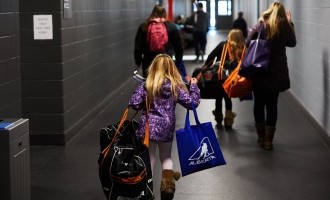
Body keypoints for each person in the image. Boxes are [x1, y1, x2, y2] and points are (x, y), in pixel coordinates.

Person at [129, 54, 200, 200]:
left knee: (149, 158)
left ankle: (146, 191)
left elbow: (134, 103)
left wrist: (141, 92)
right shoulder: (175, 86)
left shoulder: (148, 85)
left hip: (148, 127)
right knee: (166, 157)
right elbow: (192, 103)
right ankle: (168, 186)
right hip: (166, 127)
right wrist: (194, 86)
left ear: (153, 68)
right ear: (172, 68)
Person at [246, 2, 296, 150]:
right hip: (276, 71)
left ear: (269, 11)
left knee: (259, 104)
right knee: (272, 104)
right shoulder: (284, 25)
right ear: (281, 13)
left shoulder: (261, 24)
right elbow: (292, 42)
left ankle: (261, 136)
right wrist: (289, 22)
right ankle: (269, 141)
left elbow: (248, 42)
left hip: (259, 69)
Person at [203, 29, 245, 128]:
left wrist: (206, 67)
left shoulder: (223, 45)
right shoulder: (242, 47)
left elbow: (211, 56)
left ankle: (218, 117)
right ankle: (229, 120)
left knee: (218, 96)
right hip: (232, 78)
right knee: (228, 97)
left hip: (219, 77)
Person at [134, 4, 188, 81]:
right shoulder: (171, 26)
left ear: (152, 13)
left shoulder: (144, 26)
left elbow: (138, 47)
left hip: (149, 62)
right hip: (166, 61)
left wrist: (138, 61)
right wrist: (178, 59)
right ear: (164, 13)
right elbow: (178, 46)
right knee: (167, 84)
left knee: (149, 85)